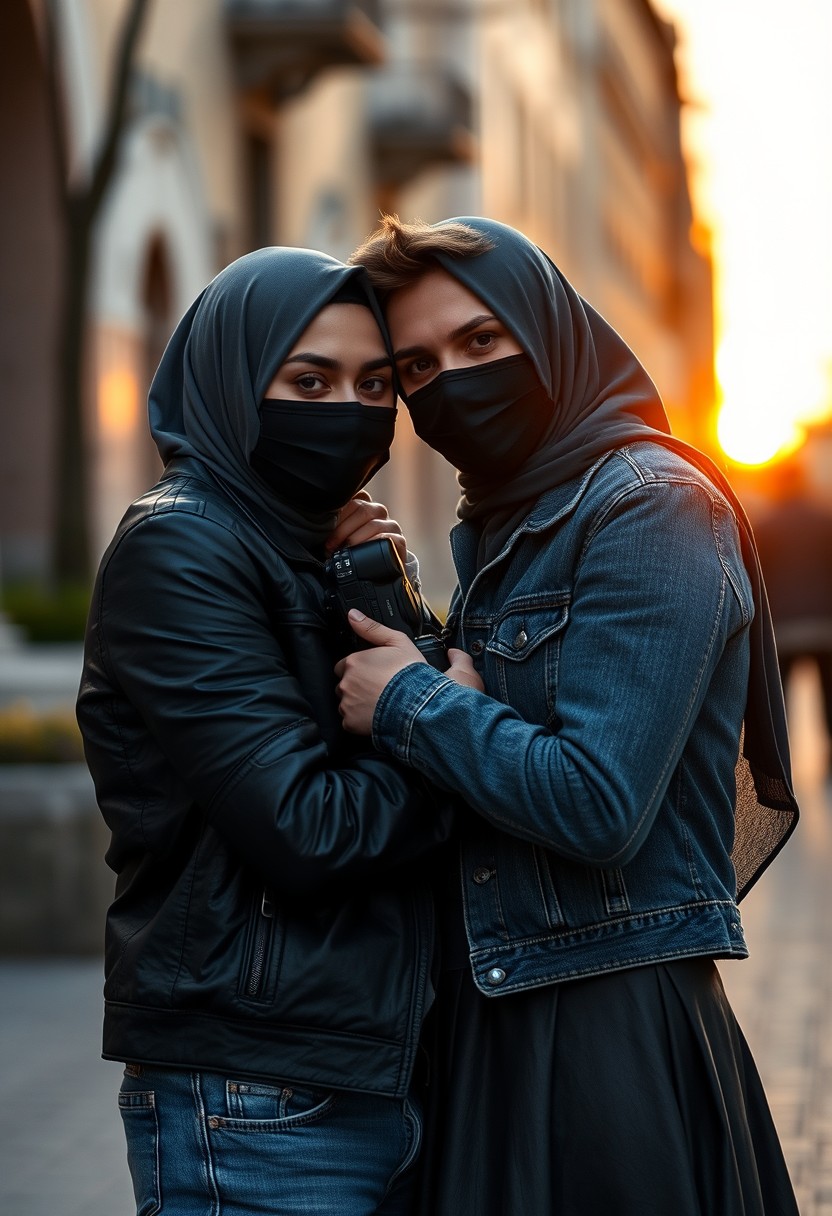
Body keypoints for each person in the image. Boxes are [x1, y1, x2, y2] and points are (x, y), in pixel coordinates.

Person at [335, 215, 800, 1214]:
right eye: (417, 364)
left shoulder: (649, 504)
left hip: (604, 1037)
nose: (451, 381)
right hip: (492, 1013)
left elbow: (597, 800)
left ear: (545, 333)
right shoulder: (507, 527)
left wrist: (412, 703)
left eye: (479, 342)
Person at [75, 246, 457, 1216]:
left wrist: (383, 594)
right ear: (235, 379)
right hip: (255, 1094)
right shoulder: (181, 547)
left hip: (357, 1067)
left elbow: (408, 702)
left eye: (374, 384)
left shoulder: (310, 540)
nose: (348, 411)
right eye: (308, 379)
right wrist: (455, 735)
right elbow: (309, 826)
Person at [754, 454, 832, 768]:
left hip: (781, 628)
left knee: (779, 702)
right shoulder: (824, 519)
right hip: (824, 625)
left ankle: (779, 763)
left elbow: (756, 578)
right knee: (830, 696)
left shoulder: (765, 524)